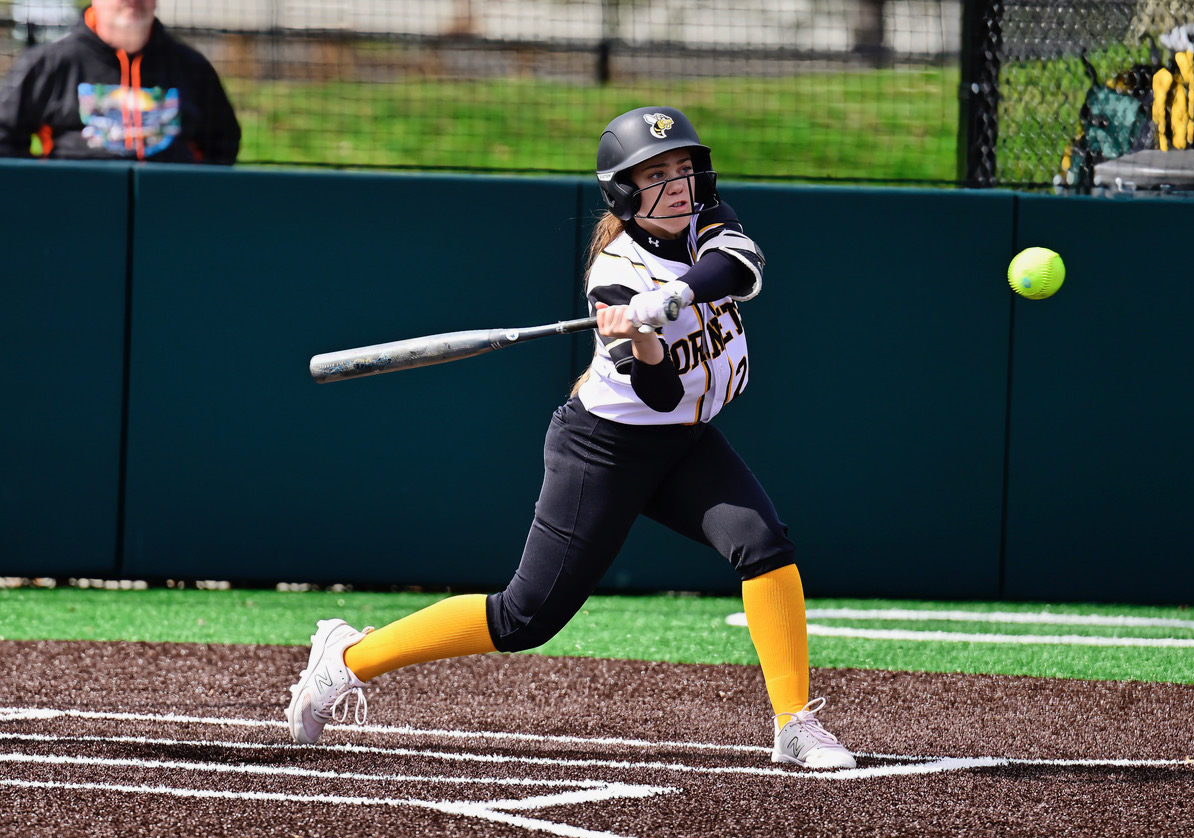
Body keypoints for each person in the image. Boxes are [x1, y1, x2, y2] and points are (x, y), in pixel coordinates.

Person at [286, 106, 858, 770]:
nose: (678, 185)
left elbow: (740, 267)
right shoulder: (612, 276)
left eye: (684, 169)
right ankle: (347, 659)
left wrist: (670, 297)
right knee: (523, 618)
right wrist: (639, 332)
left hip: (684, 441)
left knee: (763, 543)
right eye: (656, 175)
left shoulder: (710, 222)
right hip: (605, 450)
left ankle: (793, 723)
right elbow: (661, 393)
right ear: (623, 192)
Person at [0, 0, 240, 163]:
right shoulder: (48, 63)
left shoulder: (192, 66)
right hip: (71, 214)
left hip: (170, 216)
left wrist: (191, 194)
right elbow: (4, 136)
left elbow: (223, 142)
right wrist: (41, 190)